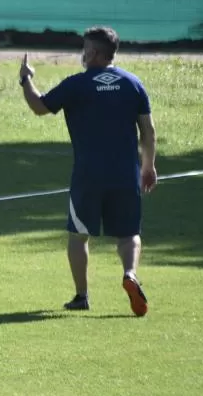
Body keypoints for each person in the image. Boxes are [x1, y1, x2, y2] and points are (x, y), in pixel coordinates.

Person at [18, 25, 156, 316]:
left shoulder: (77, 85)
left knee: (78, 235)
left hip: (88, 175)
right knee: (129, 233)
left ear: (93, 53)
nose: (83, 54)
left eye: (85, 49)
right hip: (125, 173)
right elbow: (148, 130)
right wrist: (148, 166)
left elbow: (39, 107)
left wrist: (25, 80)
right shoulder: (133, 84)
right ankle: (130, 274)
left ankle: (82, 295)